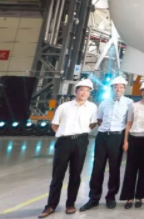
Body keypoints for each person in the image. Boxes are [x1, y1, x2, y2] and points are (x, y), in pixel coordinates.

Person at [38, 79, 98, 218]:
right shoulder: (64, 107)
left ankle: (70, 204)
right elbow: (55, 125)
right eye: (81, 90)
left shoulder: (92, 107)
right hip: (64, 142)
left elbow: (93, 123)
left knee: (75, 175)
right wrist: (64, 134)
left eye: (87, 91)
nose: (84, 93)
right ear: (75, 91)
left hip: (81, 141)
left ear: (89, 93)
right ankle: (51, 205)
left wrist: (81, 133)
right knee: (57, 175)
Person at [81, 76, 133, 211]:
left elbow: (129, 122)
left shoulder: (129, 103)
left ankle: (111, 197)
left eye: (121, 87)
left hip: (117, 137)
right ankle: (94, 198)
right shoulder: (104, 103)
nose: (118, 89)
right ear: (112, 88)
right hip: (102, 137)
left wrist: (125, 140)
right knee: (97, 168)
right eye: (116, 87)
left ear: (124, 89)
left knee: (114, 168)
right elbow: (99, 120)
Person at [120, 80, 144, 209]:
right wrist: (126, 141)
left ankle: (139, 197)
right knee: (130, 169)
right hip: (133, 138)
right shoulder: (134, 106)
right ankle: (128, 197)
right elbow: (129, 123)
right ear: (141, 91)